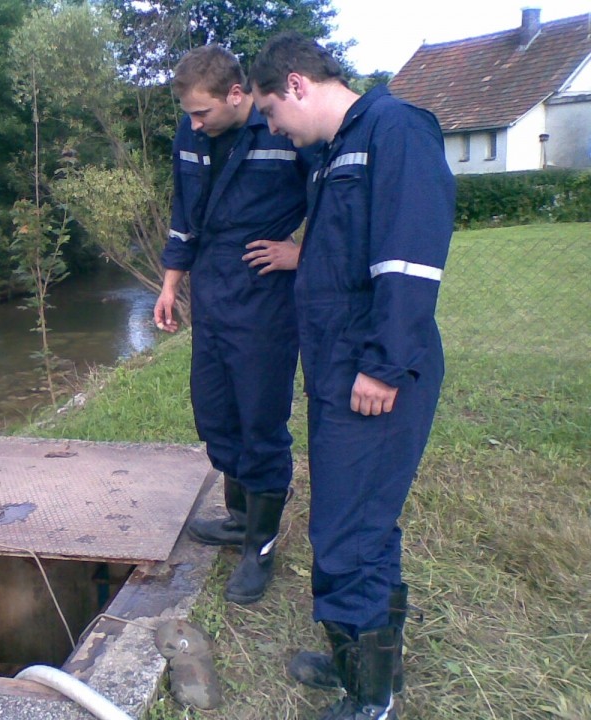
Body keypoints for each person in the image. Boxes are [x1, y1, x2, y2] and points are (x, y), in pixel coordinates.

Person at [248, 32, 455, 719]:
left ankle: (371, 699)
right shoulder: (334, 151)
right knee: (361, 518)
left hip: (376, 376)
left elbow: (410, 260)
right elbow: (345, 255)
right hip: (339, 369)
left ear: (298, 85)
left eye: (274, 113)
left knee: (347, 531)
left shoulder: (395, 130)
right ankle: (356, 661)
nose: (275, 129)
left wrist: (384, 367)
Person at [154, 45, 308, 605]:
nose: (194, 123)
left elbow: (339, 196)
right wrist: (172, 283)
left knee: (260, 417)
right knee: (216, 409)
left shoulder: (280, 129)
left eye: (202, 112)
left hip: (265, 293)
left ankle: (260, 549)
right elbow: (183, 211)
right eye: (189, 114)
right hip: (212, 288)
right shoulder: (191, 135)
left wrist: (303, 250)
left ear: (236, 95)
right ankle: (242, 520)